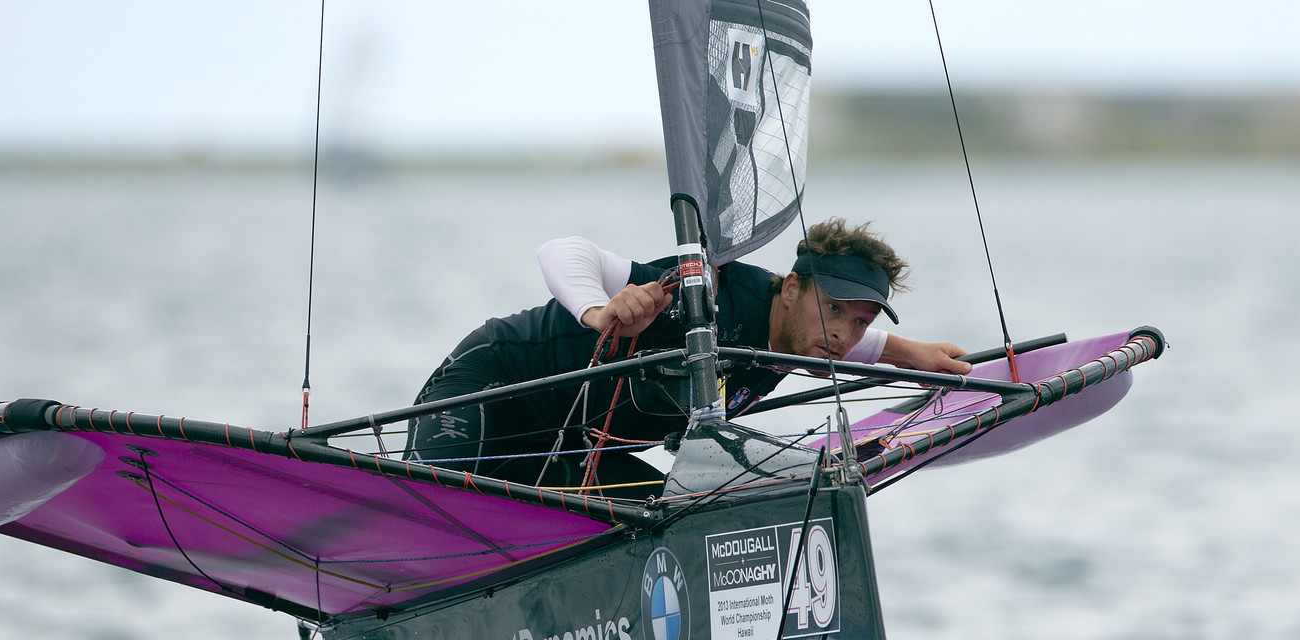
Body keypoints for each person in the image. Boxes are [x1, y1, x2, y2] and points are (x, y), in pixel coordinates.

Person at [404, 218, 969, 497]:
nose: (845, 335)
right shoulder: (705, 299)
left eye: (861, 322)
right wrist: (601, 313)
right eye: (834, 311)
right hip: (487, 387)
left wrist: (906, 353)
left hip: (567, 443)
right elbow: (562, 252)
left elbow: (848, 339)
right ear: (791, 288)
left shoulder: (806, 335)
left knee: (658, 517)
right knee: (431, 513)